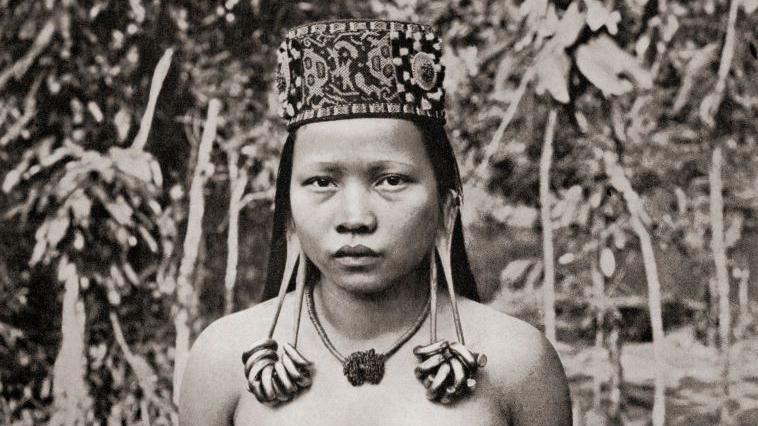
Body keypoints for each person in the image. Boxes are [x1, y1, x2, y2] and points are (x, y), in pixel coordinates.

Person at [179, 19, 571, 425]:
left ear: (446, 208)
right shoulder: (222, 362)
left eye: (391, 180)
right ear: (289, 212)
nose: (355, 218)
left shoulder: (518, 363)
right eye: (321, 182)